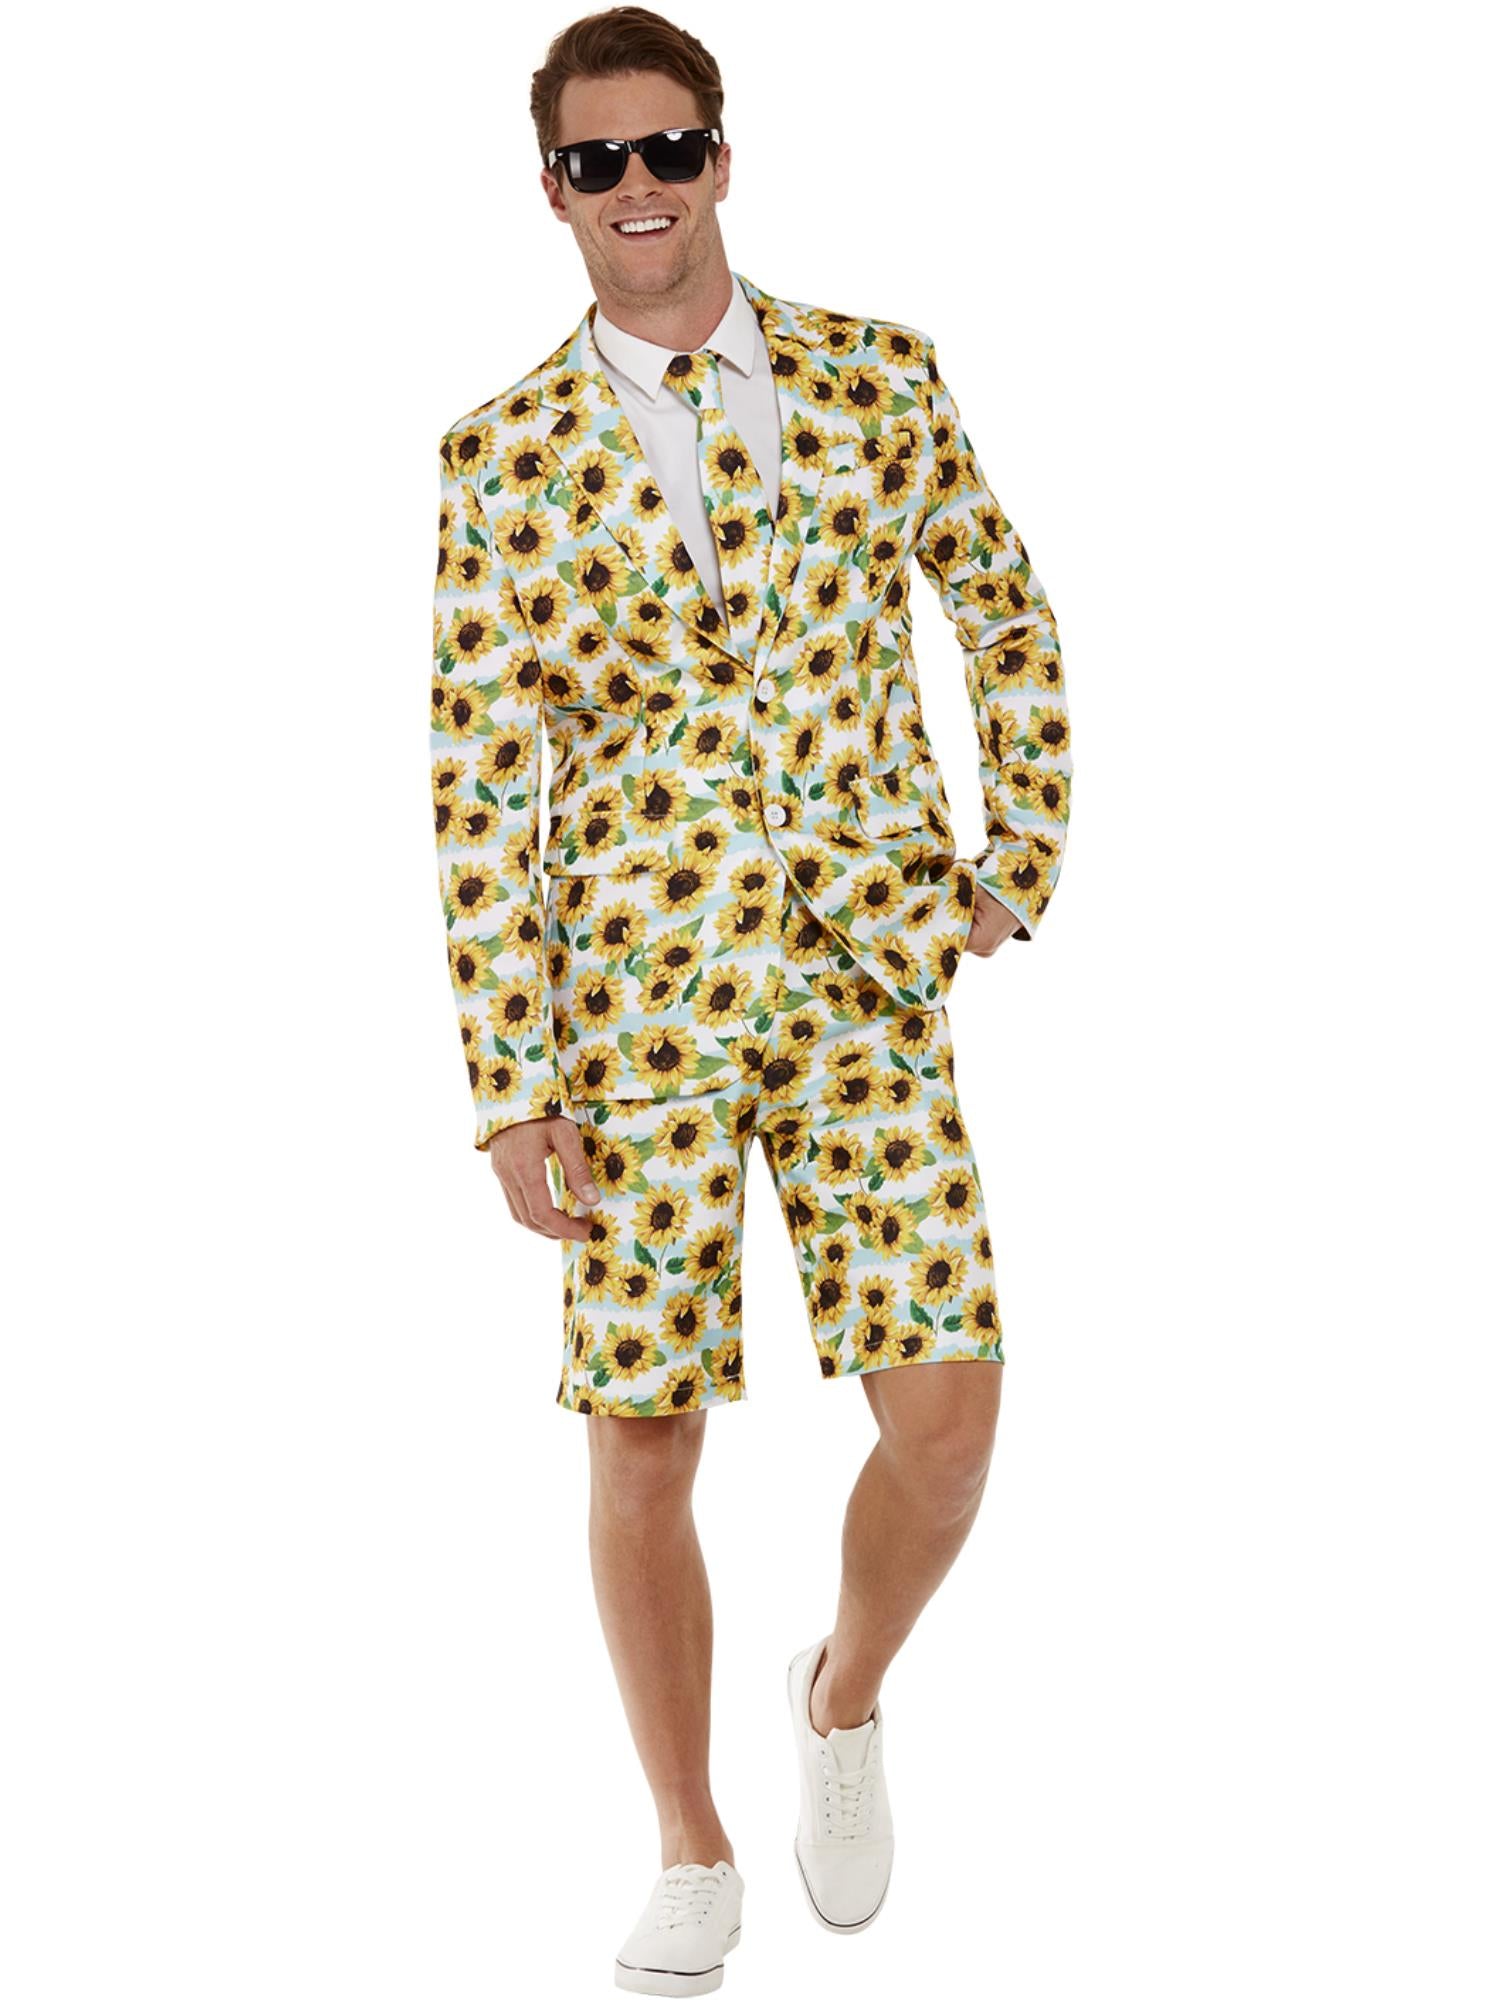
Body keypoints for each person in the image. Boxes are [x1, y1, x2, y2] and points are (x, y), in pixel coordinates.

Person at [430, 7, 1071, 1990]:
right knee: (642, 1436)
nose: (640, 189)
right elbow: (479, 783)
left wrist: (1015, 856)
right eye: (598, 162)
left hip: (866, 977)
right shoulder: (497, 460)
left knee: (950, 1423)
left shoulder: (881, 375)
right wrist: (511, 1079)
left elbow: (1001, 610)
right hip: (632, 1014)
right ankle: (690, 1842)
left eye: (669, 149)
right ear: (553, 190)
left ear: (722, 156)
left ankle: (842, 1692)